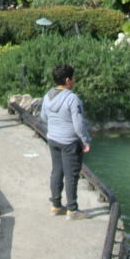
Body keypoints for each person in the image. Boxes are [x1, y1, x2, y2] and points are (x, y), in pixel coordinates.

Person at [40, 63, 91, 216]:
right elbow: (78, 124)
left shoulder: (47, 96)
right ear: (67, 79)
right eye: (73, 78)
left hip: (53, 139)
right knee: (71, 175)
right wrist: (85, 141)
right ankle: (72, 209)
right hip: (69, 142)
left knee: (57, 171)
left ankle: (56, 205)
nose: (74, 80)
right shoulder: (72, 99)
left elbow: (43, 117)